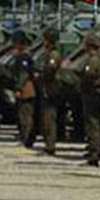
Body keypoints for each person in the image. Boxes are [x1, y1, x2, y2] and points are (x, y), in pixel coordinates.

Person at [79, 32, 100, 167]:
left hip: (92, 94)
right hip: (96, 94)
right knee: (95, 124)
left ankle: (94, 153)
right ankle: (96, 149)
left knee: (93, 124)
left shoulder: (93, 60)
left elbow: (88, 77)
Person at [37, 27, 62, 155]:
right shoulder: (50, 53)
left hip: (51, 88)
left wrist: (41, 75)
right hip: (48, 87)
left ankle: (50, 146)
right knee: (46, 118)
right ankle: (48, 144)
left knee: (49, 119)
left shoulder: (54, 54)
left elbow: (50, 70)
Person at [11, 30, 37, 148]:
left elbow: (23, 74)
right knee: (24, 114)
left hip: (26, 88)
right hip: (26, 87)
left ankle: (26, 138)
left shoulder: (23, 57)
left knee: (25, 115)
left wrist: (18, 88)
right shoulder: (24, 56)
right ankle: (26, 137)